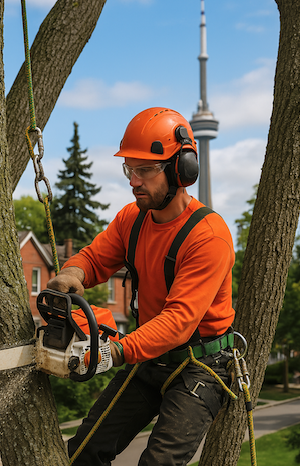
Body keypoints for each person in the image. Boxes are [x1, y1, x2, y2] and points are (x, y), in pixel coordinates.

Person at [47, 107, 235, 466]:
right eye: (129, 169)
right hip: (150, 355)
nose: (134, 180)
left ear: (182, 169)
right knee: (83, 453)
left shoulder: (208, 237)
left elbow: (179, 320)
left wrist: (116, 351)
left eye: (145, 170)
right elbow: (94, 258)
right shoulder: (131, 219)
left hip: (201, 364)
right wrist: (72, 273)